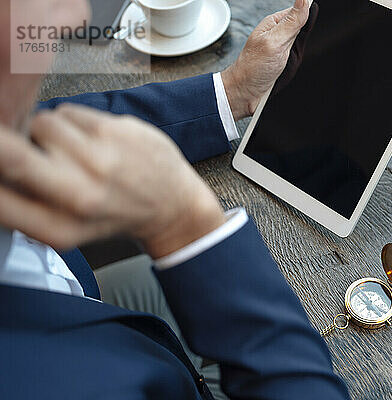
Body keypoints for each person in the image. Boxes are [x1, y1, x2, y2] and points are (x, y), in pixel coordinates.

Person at [0, 0, 350, 398]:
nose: (74, 15)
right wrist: (186, 226)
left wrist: (232, 91)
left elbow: (49, 122)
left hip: (83, 299)